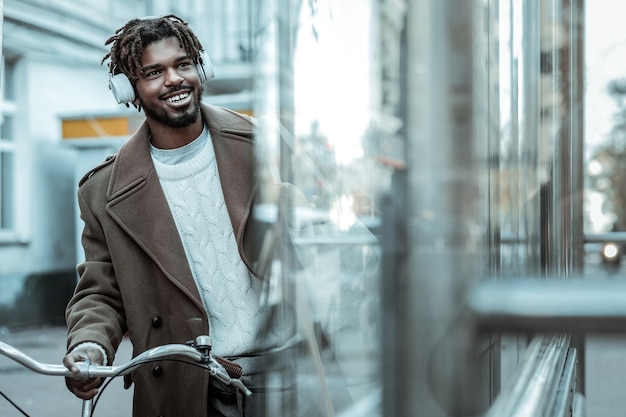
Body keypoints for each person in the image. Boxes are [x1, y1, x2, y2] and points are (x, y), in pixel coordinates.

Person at [63, 15, 298, 417]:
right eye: (153, 72)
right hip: (189, 389)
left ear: (200, 68)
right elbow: (101, 291)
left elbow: (321, 239)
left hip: (290, 376)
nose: (173, 79)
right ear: (128, 90)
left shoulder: (266, 146)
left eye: (183, 64)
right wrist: (90, 342)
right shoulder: (102, 192)